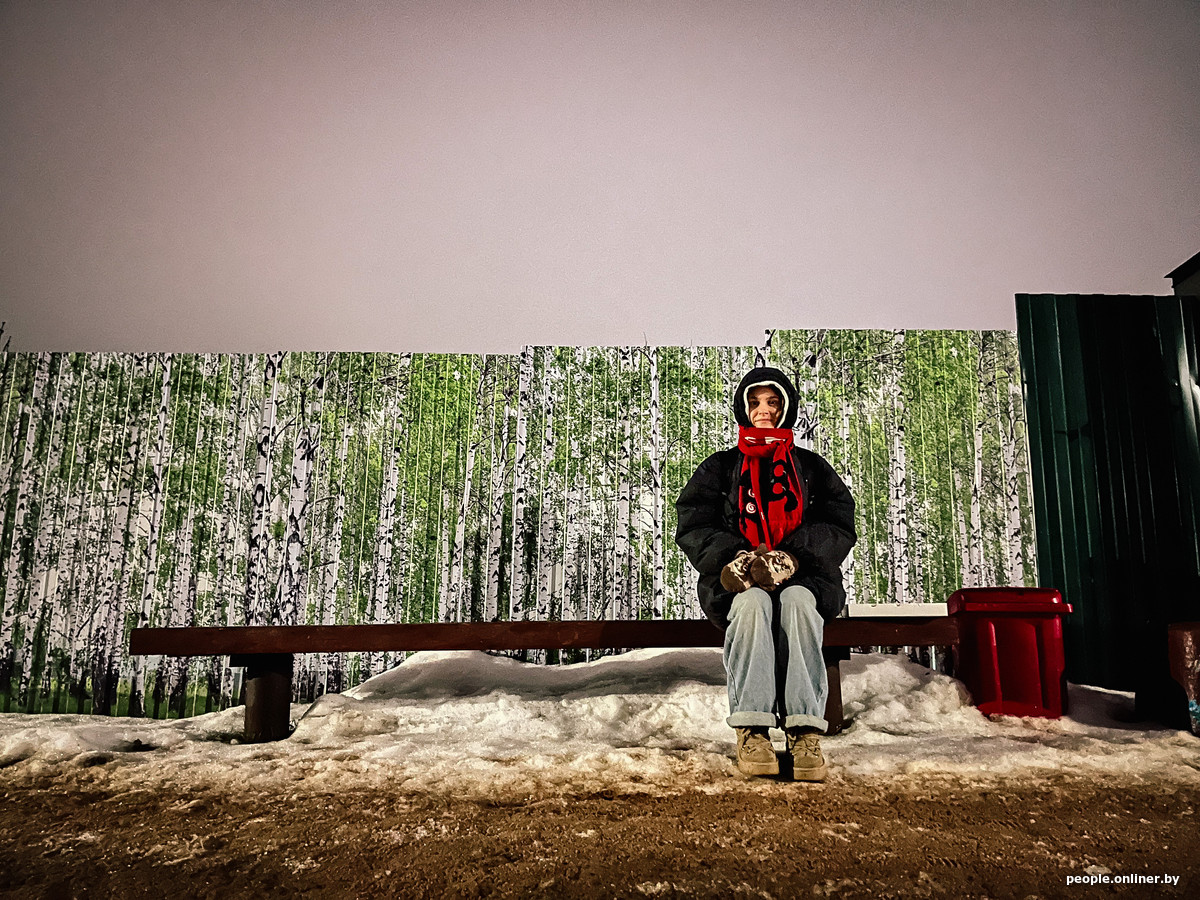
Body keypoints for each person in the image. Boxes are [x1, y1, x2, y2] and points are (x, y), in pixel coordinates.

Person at [675, 366, 856, 781]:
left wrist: (792, 557)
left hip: (805, 576)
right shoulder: (720, 467)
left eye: (773, 402)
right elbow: (693, 522)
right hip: (738, 581)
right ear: (743, 408)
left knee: (797, 602)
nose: (764, 410)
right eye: (755, 402)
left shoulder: (810, 467)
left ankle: (804, 731)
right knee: (753, 604)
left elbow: (838, 523)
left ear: (786, 408)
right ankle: (752, 729)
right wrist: (735, 557)